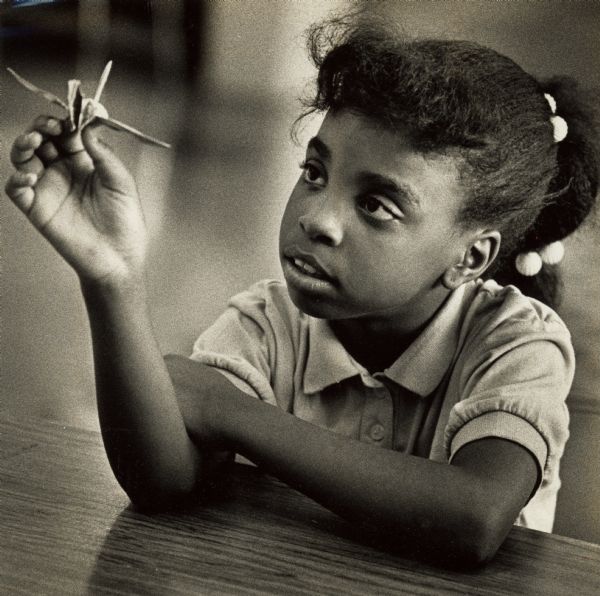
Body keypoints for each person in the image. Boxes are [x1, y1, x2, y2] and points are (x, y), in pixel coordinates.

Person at [5, 16, 599, 567]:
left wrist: (229, 414)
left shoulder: (518, 343)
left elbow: (473, 518)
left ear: (471, 257)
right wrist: (114, 281)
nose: (319, 219)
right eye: (315, 173)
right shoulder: (269, 322)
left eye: (375, 205)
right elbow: (165, 484)